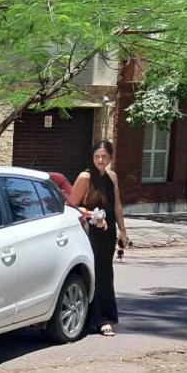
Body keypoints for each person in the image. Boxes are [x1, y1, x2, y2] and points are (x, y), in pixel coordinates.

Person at [68, 140, 127, 337]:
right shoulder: (85, 177)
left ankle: (105, 317)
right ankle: (94, 319)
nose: (100, 160)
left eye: (104, 157)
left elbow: (117, 205)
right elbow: (71, 205)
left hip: (108, 233)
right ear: (92, 157)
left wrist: (123, 230)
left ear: (110, 157)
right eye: (97, 157)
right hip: (90, 232)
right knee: (93, 273)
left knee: (105, 274)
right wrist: (93, 216)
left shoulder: (112, 177)